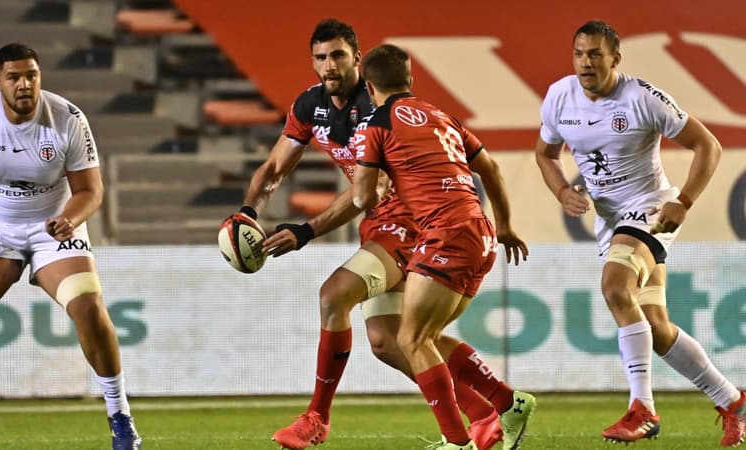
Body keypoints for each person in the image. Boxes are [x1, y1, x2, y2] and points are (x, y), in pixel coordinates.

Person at [233, 19, 535, 450]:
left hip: (409, 226)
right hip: (386, 226)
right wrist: (248, 212)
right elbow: (274, 169)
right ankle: (495, 407)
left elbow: (366, 194)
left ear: (358, 61)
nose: (329, 65)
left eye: (338, 55)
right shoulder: (309, 107)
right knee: (389, 342)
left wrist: (304, 231)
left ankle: (317, 417)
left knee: (334, 296)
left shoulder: (376, 113)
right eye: (321, 57)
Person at [534, 20, 746, 446]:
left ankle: (642, 408)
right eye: (579, 53)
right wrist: (561, 190)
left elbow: (708, 145)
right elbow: (545, 153)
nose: (586, 62)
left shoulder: (641, 98)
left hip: (649, 209)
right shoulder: (559, 96)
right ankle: (733, 402)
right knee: (657, 325)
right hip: (611, 221)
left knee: (615, 288)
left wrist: (682, 201)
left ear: (615, 58)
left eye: (595, 54)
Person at [0, 43, 141, 450]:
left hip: (55, 224)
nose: (24, 85)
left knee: (88, 305)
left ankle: (120, 416)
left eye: (31, 75)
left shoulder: (67, 118)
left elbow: (90, 189)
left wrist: (71, 217)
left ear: (40, 78)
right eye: (14, 77)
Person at [350, 43, 529, 450]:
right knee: (423, 336)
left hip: (445, 233)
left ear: (368, 84)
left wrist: (382, 183)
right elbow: (492, 169)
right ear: (410, 80)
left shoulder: (376, 124)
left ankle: (457, 441)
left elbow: (362, 197)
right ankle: (505, 401)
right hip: (480, 231)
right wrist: (506, 226)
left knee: (408, 340)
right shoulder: (442, 117)